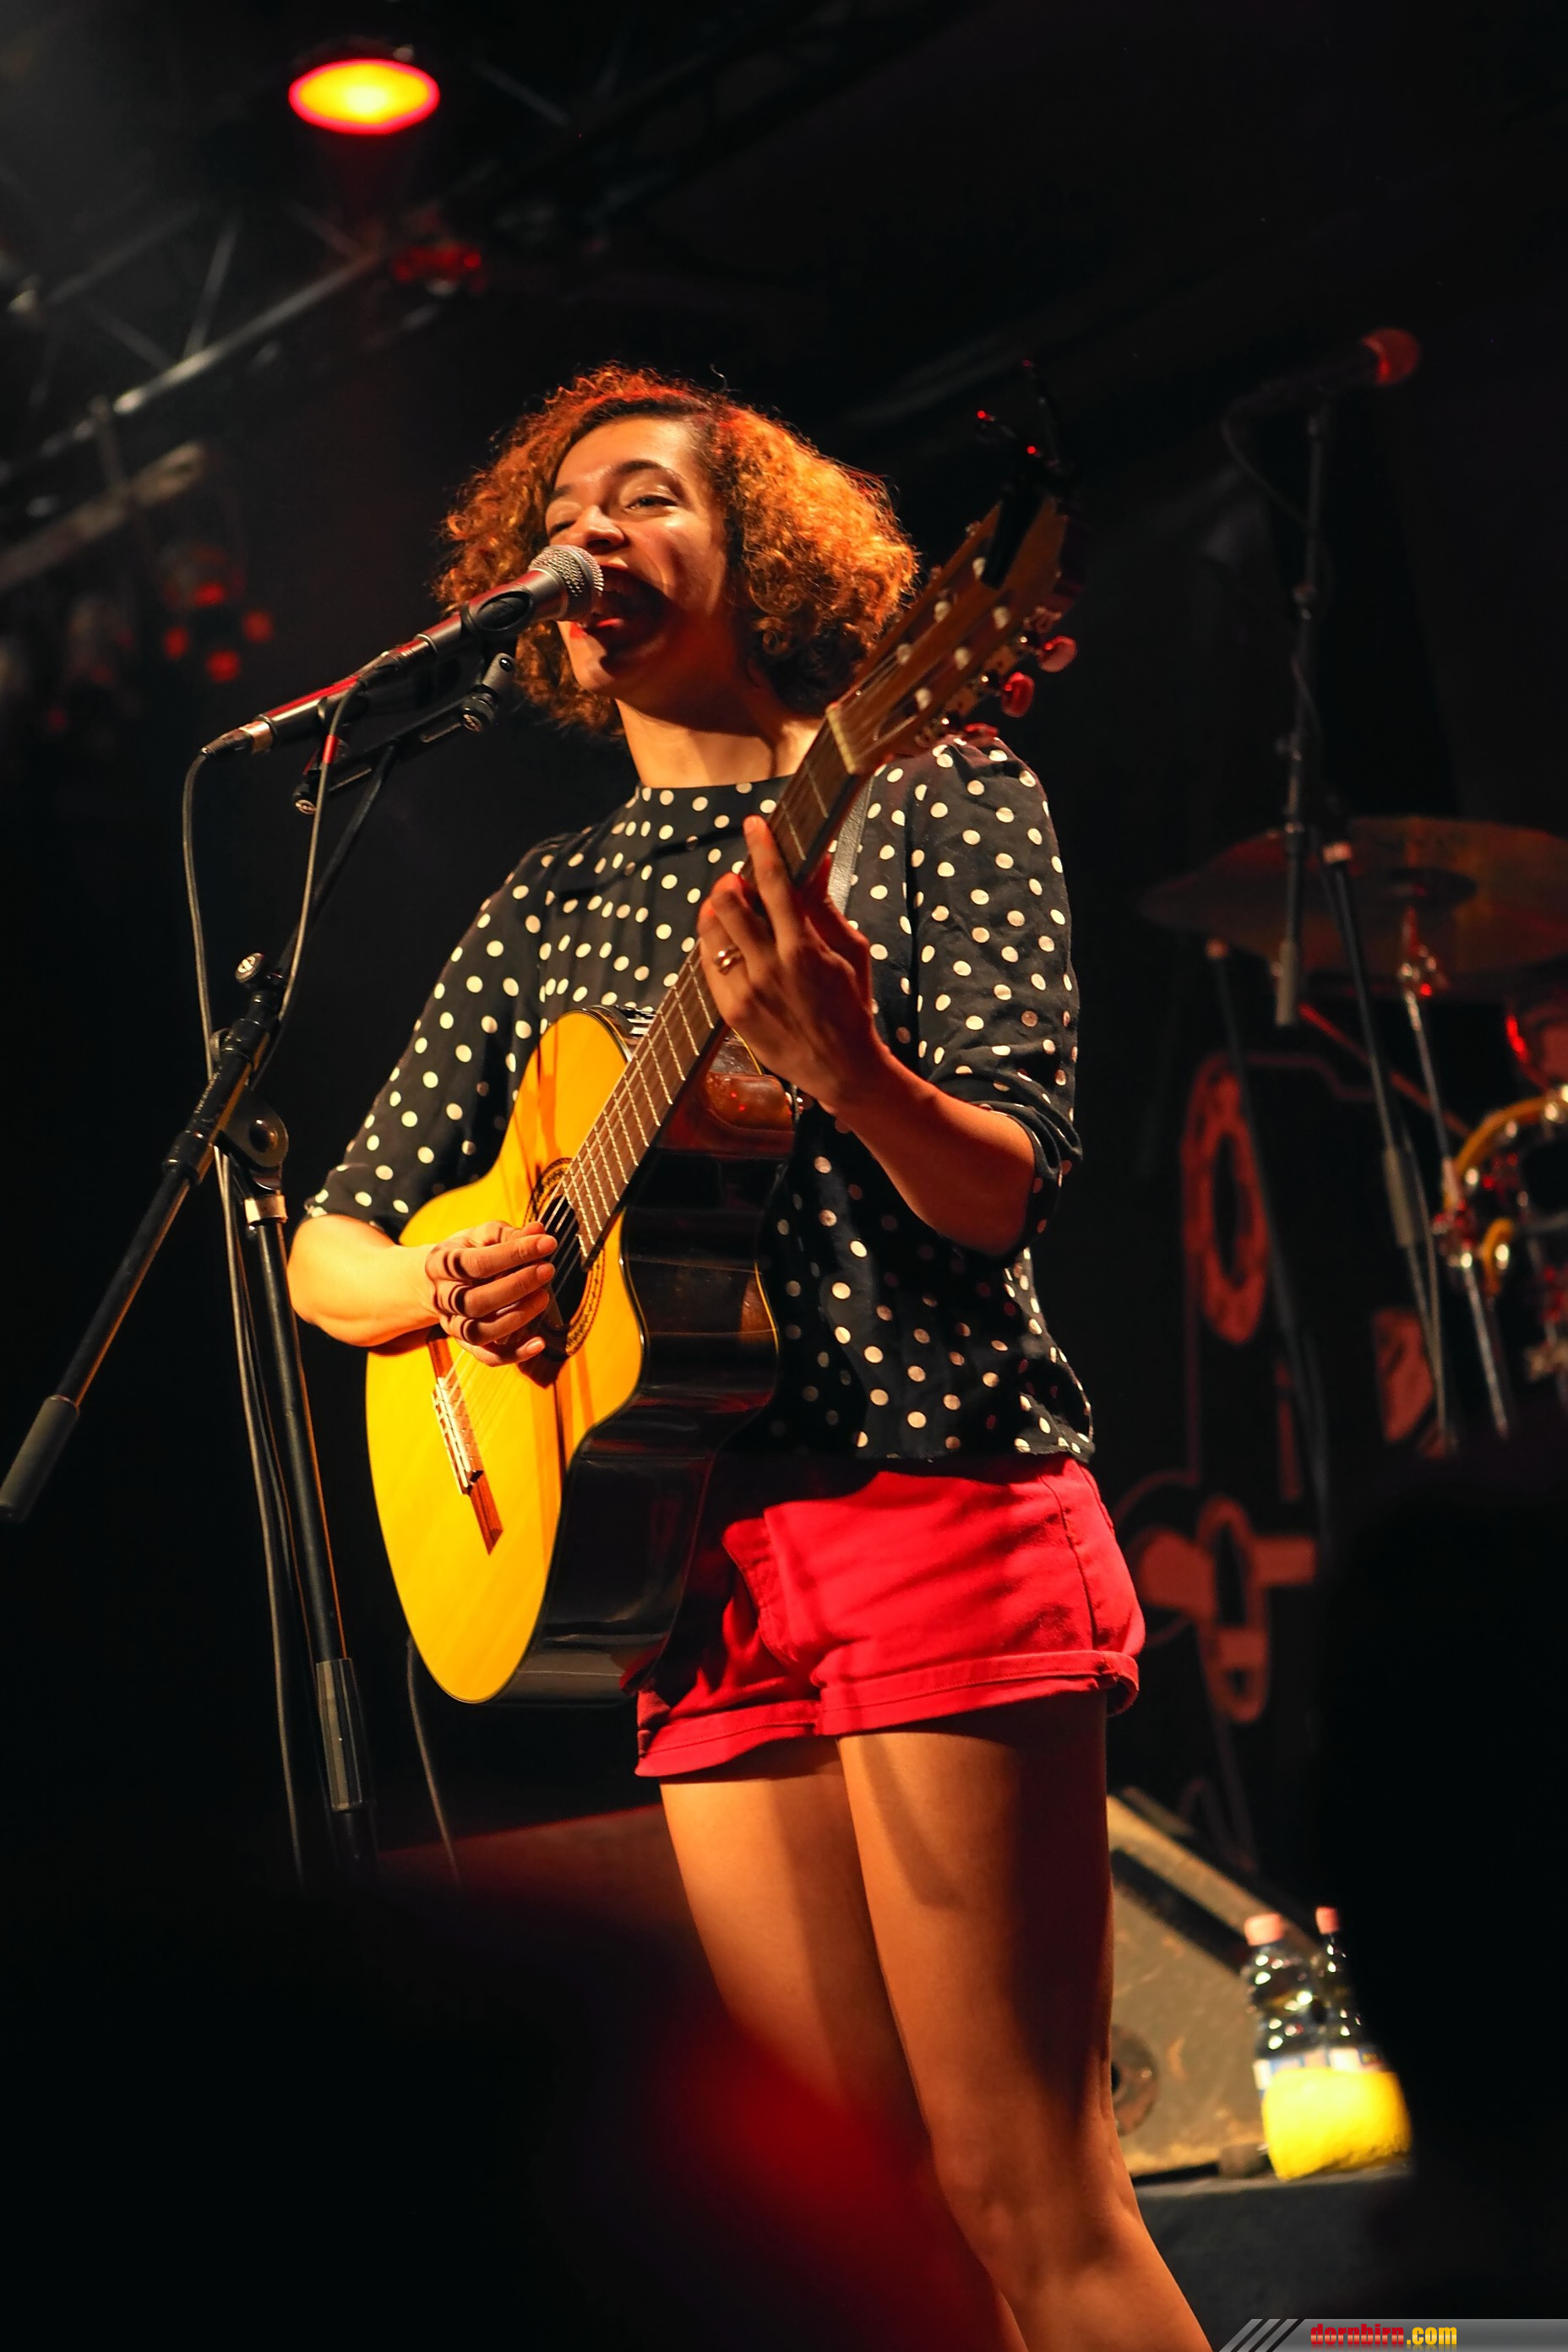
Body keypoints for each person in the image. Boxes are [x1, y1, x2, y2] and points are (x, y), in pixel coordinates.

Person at [288, 364, 1206, 2352]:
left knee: (1023, 2193)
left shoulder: (928, 784)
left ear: (760, 551)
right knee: (857, 2239)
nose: (595, 531)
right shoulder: (545, 898)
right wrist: (458, 1278)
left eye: (649, 496)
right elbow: (327, 1252)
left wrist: (850, 1068)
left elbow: (1002, 1190)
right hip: (688, 1570)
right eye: (566, 509)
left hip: (930, 1491)